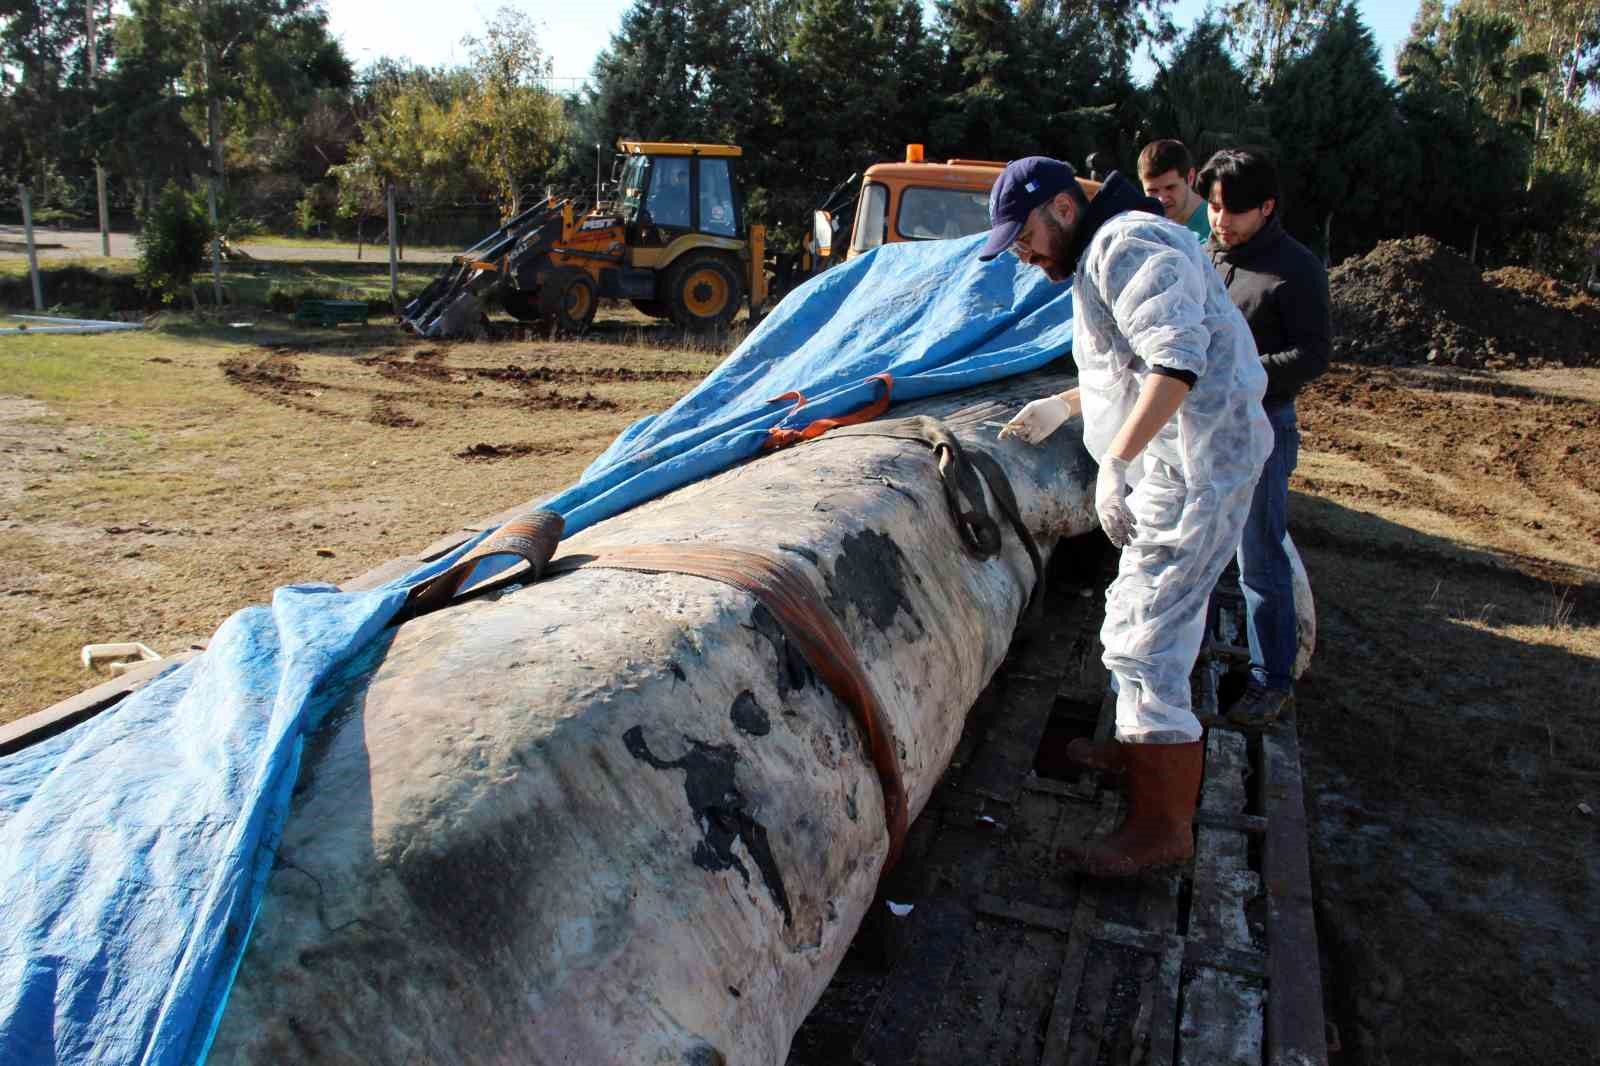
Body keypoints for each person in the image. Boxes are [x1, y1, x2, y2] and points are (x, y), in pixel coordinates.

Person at [985, 157, 1272, 878]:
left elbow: (1178, 363)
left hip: (1195, 470)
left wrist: (1115, 460)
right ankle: (1131, 752)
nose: (1021, 252)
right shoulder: (1104, 252)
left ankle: (1159, 832)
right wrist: (1068, 406)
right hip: (1172, 464)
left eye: (1022, 235)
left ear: (1059, 208)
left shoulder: (1124, 245)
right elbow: (1132, 366)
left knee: (1150, 636)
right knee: (1133, 615)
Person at [1198, 148, 1330, 728]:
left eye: (1233, 210)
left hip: (1261, 427)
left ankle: (1271, 679)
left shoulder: (1294, 268)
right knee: (1196, 544)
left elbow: (1312, 355)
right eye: (1213, 207)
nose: (1219, 220)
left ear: (1267, 207)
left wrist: (1240, 371)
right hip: (1203, 424)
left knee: (1258, 556)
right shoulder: (1208, 257)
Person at [1138, 140, 1209, 243]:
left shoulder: (1218, 227)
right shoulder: (1144, 228)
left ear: (1190, 178)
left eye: (1170, 187)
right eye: (1152, 191)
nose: (1161, 199)